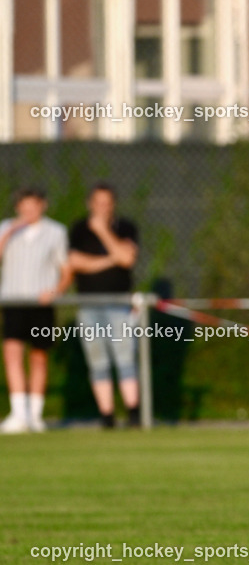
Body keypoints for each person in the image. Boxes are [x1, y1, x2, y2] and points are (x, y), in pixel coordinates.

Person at [67, 182, 140, 428]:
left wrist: (102, 232)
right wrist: (113, 257)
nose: (103, 208)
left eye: (107, 203)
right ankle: (107, 416)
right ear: (90, 204)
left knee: (125, 357)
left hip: (119, 303)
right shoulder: (79, 229)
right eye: (98, 203)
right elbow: (75, 262)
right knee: (97, 361)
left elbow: (128, 259)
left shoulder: (125, 227)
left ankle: (133, 413)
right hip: (88, 304)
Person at [0, 187, 72, 433]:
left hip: (41, 305)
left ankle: (35, 415)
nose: (29, 211)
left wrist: (54, 292)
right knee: (12, 354)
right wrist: (10, 232)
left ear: (43, 206)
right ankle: (18, 414)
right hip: (12, 302)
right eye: (25, 205)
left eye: (34, 205)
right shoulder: (5, 228)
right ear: (18, 207)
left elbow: (66, 270)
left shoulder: (56, 232)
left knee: (39, 357)